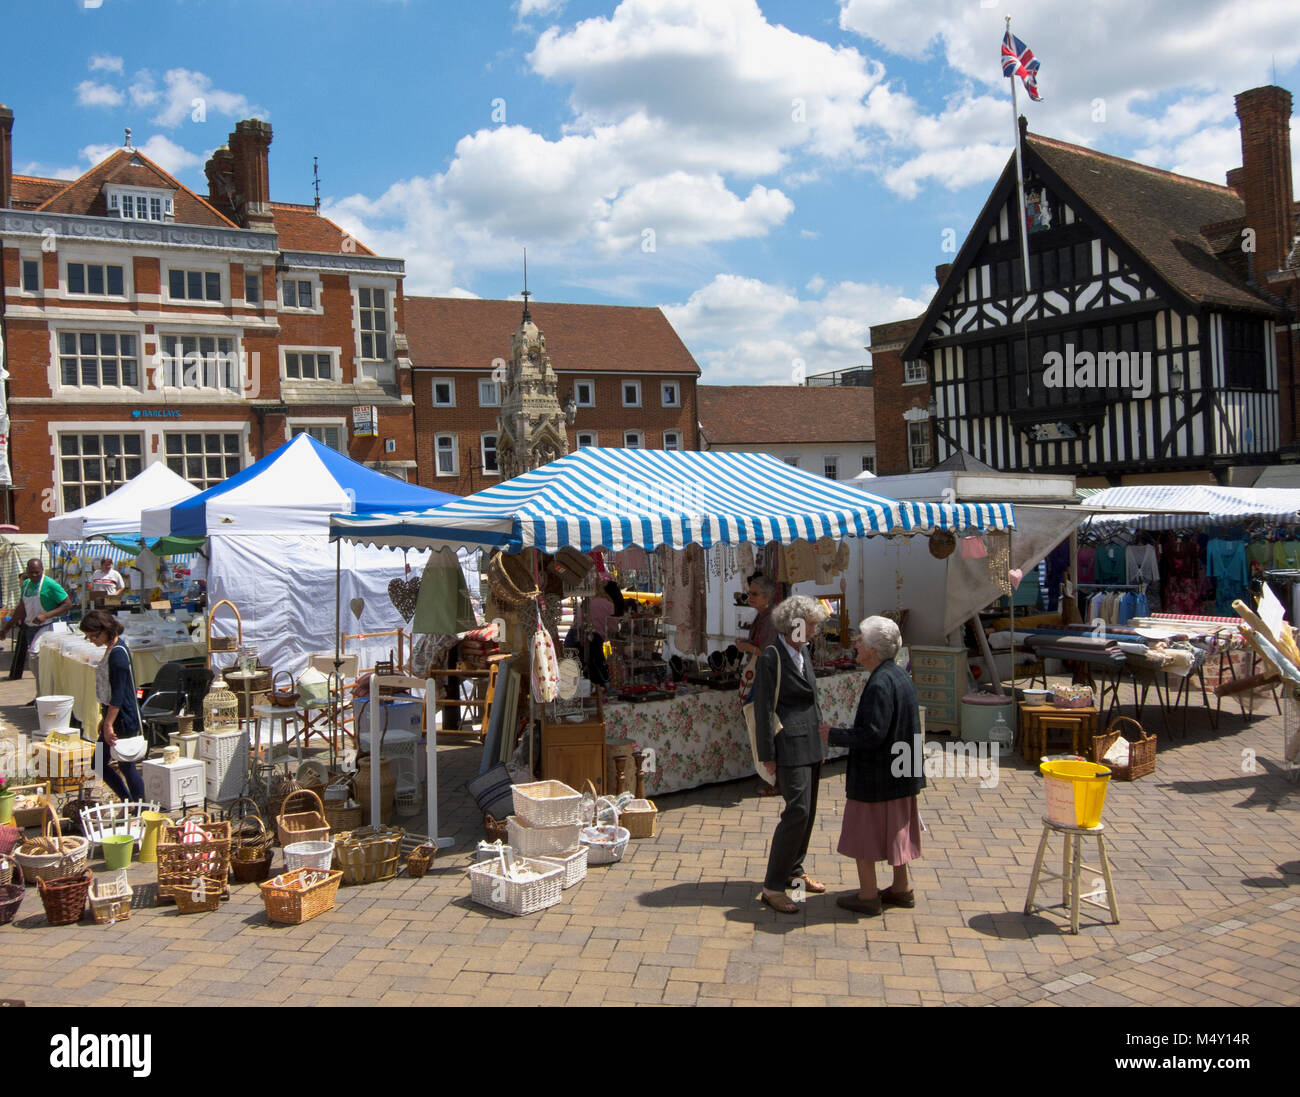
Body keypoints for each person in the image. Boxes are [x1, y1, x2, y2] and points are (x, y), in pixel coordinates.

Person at [819, 616, 925, 917]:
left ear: (875, 649)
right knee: (897, 831)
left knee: (864, 832)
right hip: (901, 772)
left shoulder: (880, 682)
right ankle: (901, 888)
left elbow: (873, 733)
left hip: (879, 775)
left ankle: (868, 896)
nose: (856, 644)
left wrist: (834, 735)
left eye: (861, 640)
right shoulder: (899, 675)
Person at [752, 594, 830, 914]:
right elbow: (763, 708)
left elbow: (812, 700)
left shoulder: (803, 653)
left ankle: (794, 871)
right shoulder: (772, 656)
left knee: (808, 811)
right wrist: (768, 754)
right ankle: (772, 886)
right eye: (810, 625)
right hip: (789, 744)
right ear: (795, 625)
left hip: (810, 741)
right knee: (796, 810)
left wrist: (822, 741)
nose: (814, 631)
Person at [80, 609, 146, 802]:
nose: (92, 640)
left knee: (125, 764)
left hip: (123, 718)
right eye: (89, 637)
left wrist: (109, 724)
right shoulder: (112, 649)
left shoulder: (118, 653)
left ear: (107, 629)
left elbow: (118, 693)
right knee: (100, 763)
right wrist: (105, 719)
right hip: (113, 716)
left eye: (95, 635)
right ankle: (130, 803)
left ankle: (140, 806)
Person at [0, 559, 75, 699]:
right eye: (31, 572)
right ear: (27, 571)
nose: (34, 575)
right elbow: (21, 608)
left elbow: (67, 604)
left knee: (35, 656)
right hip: (31, 627)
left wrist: (46, 615)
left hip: (49, 625)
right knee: (38, 663)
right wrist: (6, 628)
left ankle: (45, 694)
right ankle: (42, 692)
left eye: (37, 572)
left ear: (42, 570)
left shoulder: (50, 584)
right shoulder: (26, 585)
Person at [583, 580, 625, 689]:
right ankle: (603, 687)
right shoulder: (608, 605)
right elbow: (613, 629)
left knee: (589, 666)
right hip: (595, 638)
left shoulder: (588, 603)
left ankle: (595, 688)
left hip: (582, 637)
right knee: (598, 664)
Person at [737, 571, 779, 658]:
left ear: (767, 597)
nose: (750, 597)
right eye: (749, 593)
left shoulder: (771, 619)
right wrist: (747, 642)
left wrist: (749, 647)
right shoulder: (761, 615)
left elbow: (769, 655)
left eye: (755, 594)